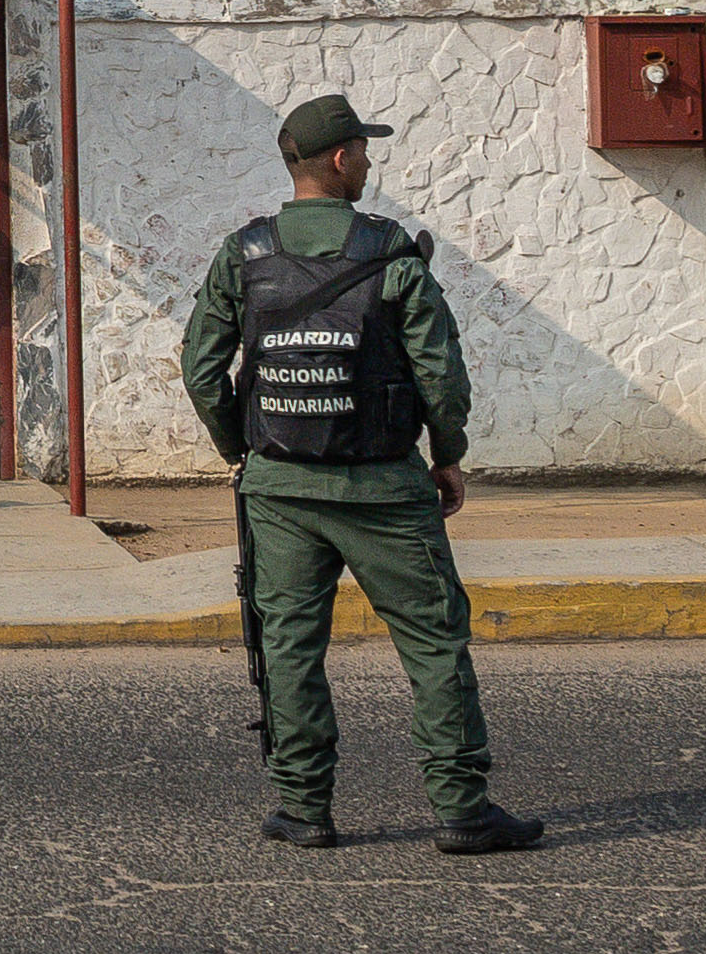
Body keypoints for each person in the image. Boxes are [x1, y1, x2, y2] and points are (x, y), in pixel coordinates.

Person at [181, 94, 544, 855]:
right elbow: (439, 372)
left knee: (287, 644)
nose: (369, 163)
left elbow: (200, 368)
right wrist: (446, 453)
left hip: (278, 486)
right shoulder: (389, 253)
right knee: (432, 641)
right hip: (382, 485)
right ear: (341, 160)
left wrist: (235, 450)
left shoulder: (241, 252)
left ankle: (303, 806)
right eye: (364, 152)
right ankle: (460, 808)